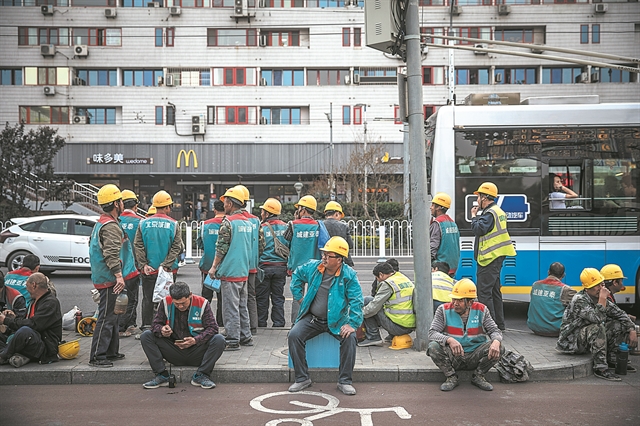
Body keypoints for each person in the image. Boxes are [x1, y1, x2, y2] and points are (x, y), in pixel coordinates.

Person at [288, 236, 363, 396]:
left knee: (349, 338)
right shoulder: (314, 267)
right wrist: (299, 296)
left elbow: (357, 301)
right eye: (324, 254)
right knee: (294, 335)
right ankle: (302, 378)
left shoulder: (348, 275)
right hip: (312, 318)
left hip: (337, 321)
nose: (324, 258)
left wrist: (352, 324)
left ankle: (345, 381)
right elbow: (297, 275)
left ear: (340, 259)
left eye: (329, 255)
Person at [140, 282, 226, 389]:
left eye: (183, 303)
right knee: (146, 336)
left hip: (197, 351)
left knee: (219, 339)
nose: (180, 306)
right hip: (173, 350)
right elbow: (155, 325)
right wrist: (162, 329)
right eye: (176, 304)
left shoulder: (202, 303)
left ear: (190, 295)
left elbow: (213, 328)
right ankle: (162, 375)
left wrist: (195, 340)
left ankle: (202, 375)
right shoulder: (165, 303)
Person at [556, 268, 637, 380]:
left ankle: (612, 359)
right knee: (597, 328)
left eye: (601, 284)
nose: (600, 288)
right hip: (571, 342)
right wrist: (603, 298)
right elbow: (597, 318)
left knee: (619, 324)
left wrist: (631, 329)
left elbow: (620, 314)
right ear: (587, 288)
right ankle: (600, 368)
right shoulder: (579, 300)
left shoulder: (597, 297)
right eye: (596, 286)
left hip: (586, 337)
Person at [89, 184, 136, 367]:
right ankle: (97, 356)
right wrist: (118, 276)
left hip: (105, 275)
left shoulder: (104, 222)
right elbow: (110, 254)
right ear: (116, 204)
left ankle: (111, 352)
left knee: (114, 316)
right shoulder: (110, 227)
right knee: (107, 317)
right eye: (121, 201)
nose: (123, 204)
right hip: (109, 278)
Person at [427, 279, 504, 392]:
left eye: (460, 300)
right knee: (433, 347)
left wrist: (496, 341)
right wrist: (449, 340)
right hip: (454, 356)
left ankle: (479, 376)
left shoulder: (482, 310)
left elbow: (494, 330)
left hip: (475, 355)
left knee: (500, 347)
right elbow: (432, 333)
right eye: (454, 299)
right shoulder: (443, 310)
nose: (455, 303)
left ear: (470, 302)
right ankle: (451, 377)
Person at [208, 187, 253, 351]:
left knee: (230, 306)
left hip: (230, 270)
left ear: (231, 203)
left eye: (225, 201)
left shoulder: (228, 222)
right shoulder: (247, 222)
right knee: (242, 305)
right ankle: (245, 336)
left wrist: (213, 267)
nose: (224, 204)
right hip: (243, 270)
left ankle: (233, 339)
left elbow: (221, 247)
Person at [134, 190, 184, 331]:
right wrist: (166, 264)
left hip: (149, 270)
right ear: (168, 207)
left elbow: (138, 245)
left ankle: (146, 327)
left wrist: (143, 264)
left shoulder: (143, 223)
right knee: (168, 300)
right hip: (168, 270)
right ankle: (167, 326)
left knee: (148, 299)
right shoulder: (174, 224)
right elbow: (177, 247)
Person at [470, 182, 516, 331]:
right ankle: (498, 325)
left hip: (489, 258)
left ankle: (489, 327)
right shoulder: (498, 211)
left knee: (484, 293)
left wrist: (474, 216)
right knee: (495, 292)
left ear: (485, 197)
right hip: (496, 257)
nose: (477, 200)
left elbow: (479, 229)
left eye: (478, 197)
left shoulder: (489, 213)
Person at [0, 273, 62, 368]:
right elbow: (26, 321)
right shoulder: (34, 301)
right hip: (31, 338)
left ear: (34, 285)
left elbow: (33, 325)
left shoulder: (50, 303)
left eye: (27, 285)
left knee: (24, 331)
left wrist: (6, 321)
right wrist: (13, 319)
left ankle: (4, 356)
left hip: (44, 346)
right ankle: (13, 354)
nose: (26, 288)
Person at [358, 261, 415, 347]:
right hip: (410, 325)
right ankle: (390, 336)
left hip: (398, 327)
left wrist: (358, 315)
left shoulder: (388, 284)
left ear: (381, 275)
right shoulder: (402, 277)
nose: (377, 280)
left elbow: (373, 307)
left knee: (368, 302)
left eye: (377, 278)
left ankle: (373, 337)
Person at [284, 195, 321, 324]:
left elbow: (285, 243)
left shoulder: (293, 225)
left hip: (297, 268)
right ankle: (311, 323)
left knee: (297, 297)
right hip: (315, 267)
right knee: (313, 297)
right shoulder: (318, 226)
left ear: (303, 210)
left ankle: (296, 325)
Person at [257, 198, 289, 328]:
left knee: (262, 298)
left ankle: (261, 323)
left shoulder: (261, 227)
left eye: (263, 211)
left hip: (264, 266)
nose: (261, 213)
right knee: (278, 297)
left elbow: (257, 248)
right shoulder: (286, 226)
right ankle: (279, 323)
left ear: (267, 213)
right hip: (281, 267)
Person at [235, 185, 261, 335]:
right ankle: (252, 327)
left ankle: (237, 327)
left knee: (234, 299)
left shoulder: (232, 220)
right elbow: (261, 243)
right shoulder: (255, 220)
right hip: (251, 265)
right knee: (250, 296)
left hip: (237, 266)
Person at [527, 262, 576, 337]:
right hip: (554, 330)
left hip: (535, 328)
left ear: (548, 272)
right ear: (563, 275)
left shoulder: (535, 285)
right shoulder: (565, 289)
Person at [118, 189, 143, 337]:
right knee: (132, 298)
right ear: (136, 206)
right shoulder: (140, 222)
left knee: (118, 297)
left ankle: (125, 324)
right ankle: (125, 326)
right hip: (133, 267)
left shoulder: (114, 221)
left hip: (114, 267)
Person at [199, 200, 225, 327]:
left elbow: (200, 244)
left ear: (214, 210)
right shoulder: (229, 224)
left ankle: (205, 322)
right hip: (224, 268)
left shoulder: (205, 225)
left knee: (206, 297)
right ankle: (220, 323)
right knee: (222, 299)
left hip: (207, 267)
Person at [600, 264, 638, 355]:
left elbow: (614, 312)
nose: (622, 284)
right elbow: (617, 314)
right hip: (598, 333)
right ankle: (614, 356)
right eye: (621, 280)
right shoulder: (606, 297)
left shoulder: (608, 295)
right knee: (620, 325)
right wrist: (632, 329)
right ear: (615, 282)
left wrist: (628, 316)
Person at [429, 192, 460, 275]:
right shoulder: (452, 223)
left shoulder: (437, 224)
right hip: (452, 267)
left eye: (432, 205)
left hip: (440, 268)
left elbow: (432, 247)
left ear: (439, 208)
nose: (430, 207)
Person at [321, 201, 354, 267]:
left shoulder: (320, 225)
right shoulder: (344, 226)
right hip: (342, 261)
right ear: (336, 214)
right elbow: (350, 245)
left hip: (325, 260)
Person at [0, 271, 27, 347]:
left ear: (2, 288)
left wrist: (12, 319)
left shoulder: (16, 298)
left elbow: (22, 324)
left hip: (9, 332)